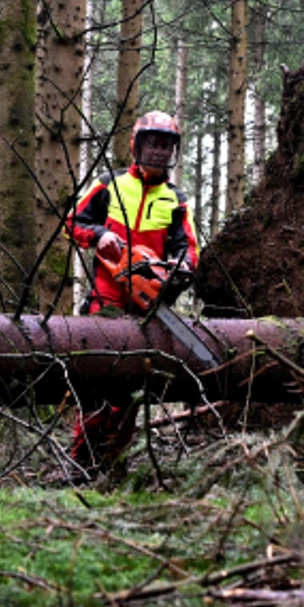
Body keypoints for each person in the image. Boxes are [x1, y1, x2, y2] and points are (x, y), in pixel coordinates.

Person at [62, 110, 201, 474]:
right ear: (137, 145)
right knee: (95, 376)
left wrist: (181, 266)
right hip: (107, 295)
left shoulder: (175, 199)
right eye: (152, 143)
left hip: (147, 300)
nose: (157, 151)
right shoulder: (110, 184)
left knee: (132, 381)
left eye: (165, 145)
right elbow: (72, 222)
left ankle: (115, 463)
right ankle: (82, 461)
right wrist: (99, 235)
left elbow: (187, 247)